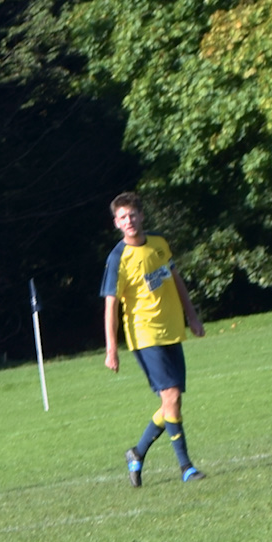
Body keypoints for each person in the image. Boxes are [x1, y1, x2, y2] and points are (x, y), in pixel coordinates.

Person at [102, 192, 206, 485]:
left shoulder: (159, 244)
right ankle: (186, 467)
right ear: (116, 223)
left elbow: (177, 281)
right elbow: (111, 304)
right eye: (123, 217)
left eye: (133, 214)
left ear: (141, 216)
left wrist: (193, 317)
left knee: (172, 404)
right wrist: (112, 349)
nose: (129, 220)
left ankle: (137, 453)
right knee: (171, 396)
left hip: (171, 329)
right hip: (144, 335)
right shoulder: (118, 258)